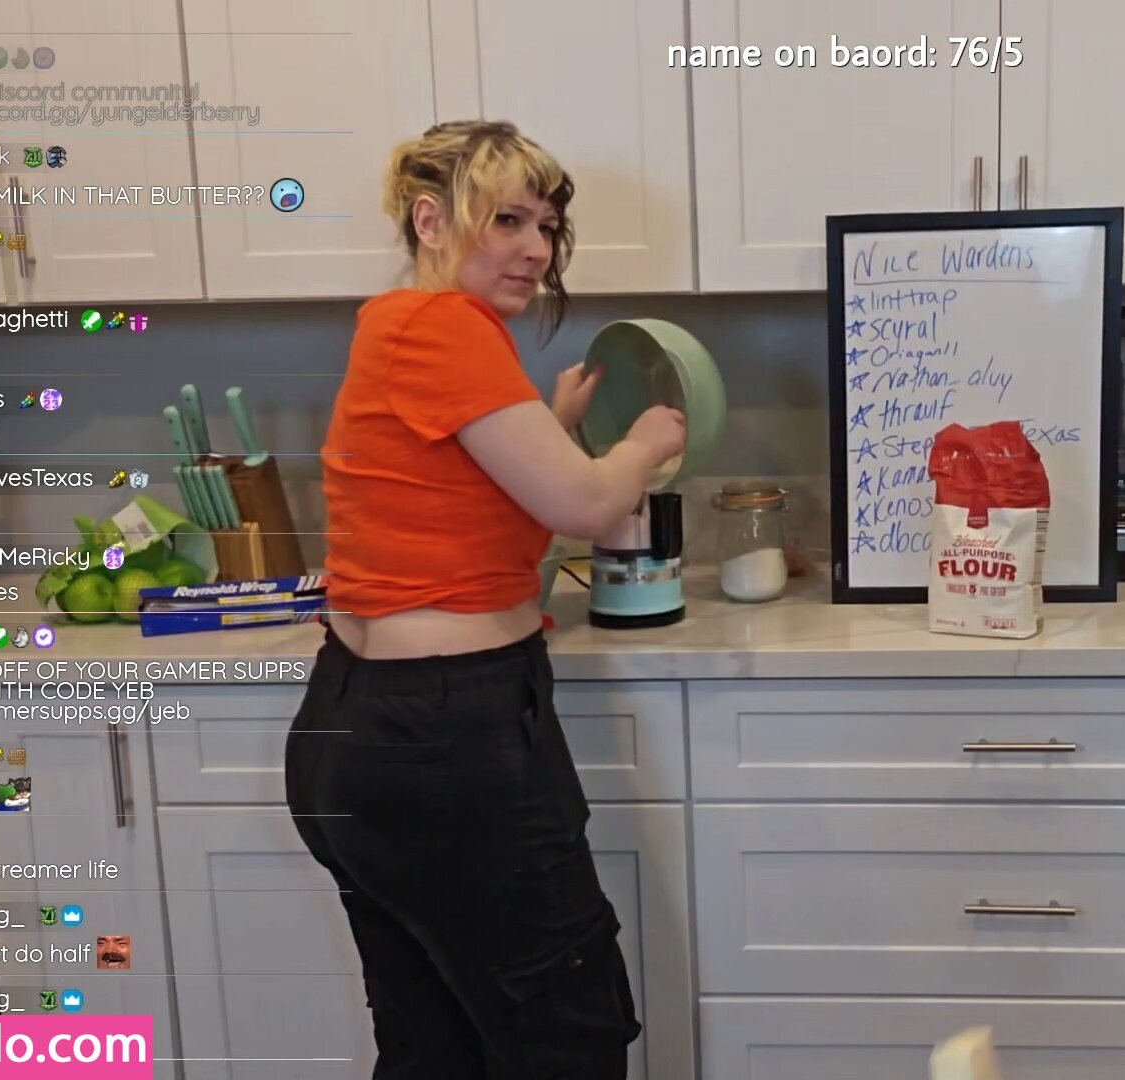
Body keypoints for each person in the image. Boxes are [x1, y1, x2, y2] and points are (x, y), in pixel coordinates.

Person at [285, 119, 686, 1078]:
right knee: (567, 1035)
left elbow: (459, 493)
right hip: (448, 735)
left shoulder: (394, 324)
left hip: (357, 729)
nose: (536, 249)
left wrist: (551, 421)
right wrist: (644, 444)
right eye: (507, 220)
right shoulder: (448, 327)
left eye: (545, 226)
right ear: (430, 220)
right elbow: (582, 504)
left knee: (436, 1046)